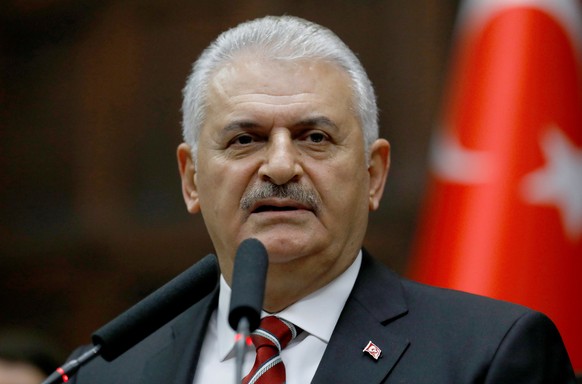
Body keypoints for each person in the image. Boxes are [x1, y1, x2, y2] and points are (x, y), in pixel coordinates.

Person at [67, 15, 575, 383]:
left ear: (373, 175)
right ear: (191, 179)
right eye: (245, 139)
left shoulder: (489, 355)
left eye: (315, 138)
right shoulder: (109, 372)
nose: (282, 166)